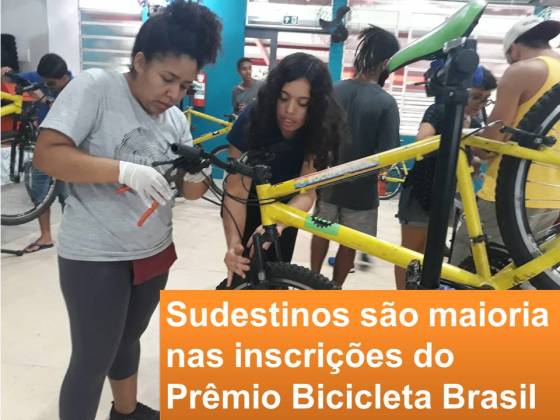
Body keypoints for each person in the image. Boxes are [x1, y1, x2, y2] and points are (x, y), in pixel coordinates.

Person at [33, 2, 222, 419]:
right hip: (97, 255)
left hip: (153, 250)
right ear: (139, 61)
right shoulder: (97, 88)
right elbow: (48, 155)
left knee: (128, 338)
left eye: (185, 86)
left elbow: (190, 192)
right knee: (92, 358)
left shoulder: (174, 120)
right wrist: (123, 170)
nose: (173, 94)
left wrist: (196, 174)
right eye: (167, 79)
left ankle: (126, 410)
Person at [222, 52, 345, 285]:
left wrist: (278, 226)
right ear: (273, 94)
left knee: (277, 272)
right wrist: (233, 244)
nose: (289, 110)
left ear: (316, 105)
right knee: (242, 270)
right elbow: (236, 190)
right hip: (247, 202)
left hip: (288, 208)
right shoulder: (253, 119)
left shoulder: (320, 128)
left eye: (303, 103)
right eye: (283, 98)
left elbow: (307, 193)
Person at [450, 16, 560, 268]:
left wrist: (470, 142)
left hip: (510, 194)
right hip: (553, 197)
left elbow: (491, 143)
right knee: (523, 272)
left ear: (514, 49)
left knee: (469, 269)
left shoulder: (522, 71)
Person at [309, 25, 401, 287]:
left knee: (320, 232)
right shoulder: (385, 102)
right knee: (349, 242)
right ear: (386, 62)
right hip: (361, 190)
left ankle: (312, 283)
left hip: (327, 183)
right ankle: (335, 288)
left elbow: (316, 137)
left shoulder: (334, 90)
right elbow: (388, 156)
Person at [394, 66, 497, 289]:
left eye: (485, 99)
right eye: (476, 96)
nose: (479, 104)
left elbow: (481, 154)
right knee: (410, 254)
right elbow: (422, 141)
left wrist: (473, 159)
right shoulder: (441, 110)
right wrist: (455, 136)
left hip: (447, 196)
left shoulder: (474, 122)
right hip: (422, 192)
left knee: (431, 254)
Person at [2, 53, 73, 253]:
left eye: (50, 84)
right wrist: (7, 73)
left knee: (68, 196)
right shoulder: (40, 77)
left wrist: (44, 98)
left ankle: (71, 237)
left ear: (64, 78)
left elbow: (67, 113)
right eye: (43, 81)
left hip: (67, 147)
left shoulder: (76, 88)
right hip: (43, 143)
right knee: (39, 189)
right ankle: (46, 236)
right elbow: (14, 79)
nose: (46, 85)